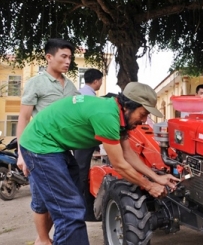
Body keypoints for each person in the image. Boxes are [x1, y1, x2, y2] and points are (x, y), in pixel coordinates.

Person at [18, 82, 179, 244]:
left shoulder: (120, 116)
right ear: (128, 106)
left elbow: (128, 154)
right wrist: (149, 186)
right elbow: (120, 165)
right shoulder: (107, 116)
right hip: (40, 144)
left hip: (55, 145)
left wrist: (157, 178)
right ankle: (46, 240)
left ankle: (42, 240)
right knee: (70, 212)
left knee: (67, 201)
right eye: (143, 114)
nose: (144, 120)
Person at [17, 38, 79, 245]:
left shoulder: (70, 86)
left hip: (63, 150)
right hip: (39, 150)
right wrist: (21, 154)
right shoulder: (36, 83)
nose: (68, 61)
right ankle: (43, 240)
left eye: (70, 57)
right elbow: (24, 118)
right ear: (49, 57)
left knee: (61, 198)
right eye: (64, 56)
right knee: (42, 200)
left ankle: (40, 239)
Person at [74, 68, 104, 220]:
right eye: (101, 81)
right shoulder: (89, 98)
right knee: (81, 173)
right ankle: (83, 211)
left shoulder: (79, 94)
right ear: (97, 81)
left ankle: (87, 209)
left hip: (80, 138)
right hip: (84, 139)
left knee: (83, 171)